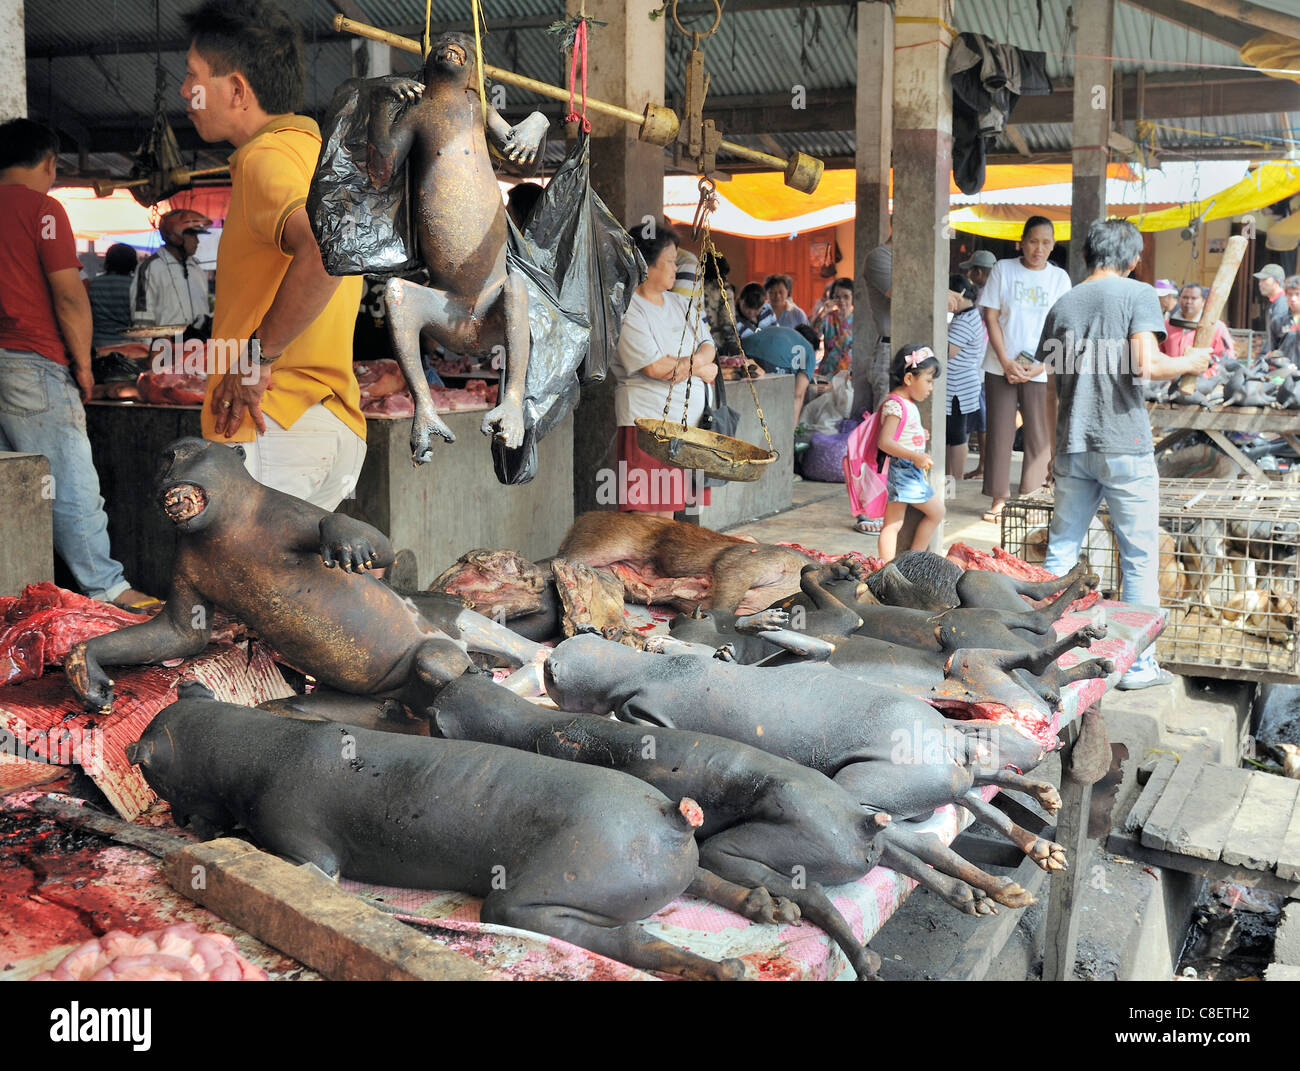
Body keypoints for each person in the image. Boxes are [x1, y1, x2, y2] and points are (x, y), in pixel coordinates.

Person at [182, 0, 366, 510]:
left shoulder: (267, 160)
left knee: (230, 588)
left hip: (272, 421)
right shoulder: (317, 156)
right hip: (328, 425)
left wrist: (259, 357)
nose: (184, 91)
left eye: (192, 76)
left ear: (236, 89)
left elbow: (327, 251)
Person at [1037, 219, 1209, 690]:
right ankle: (1137, 666)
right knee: (1138, 557)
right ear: (1133, 260)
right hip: (1124, 445)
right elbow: (1146, 365)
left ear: (1088, 255)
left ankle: (1043, 651)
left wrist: (1054, 449)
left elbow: (1054, 386)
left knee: (1061, 553)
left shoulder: (1063, 304)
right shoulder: (1137, 295)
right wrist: (1189, 363)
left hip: (1073, 444)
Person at [0, 119, 155, 610]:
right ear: (48, 163)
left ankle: (13, 598)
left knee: (10, 483)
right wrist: (85, 367)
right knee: (67, 479)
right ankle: (107, 589)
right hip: (32, 363)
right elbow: (69, 295)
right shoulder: (44, 209)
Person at [612, 222, 717, 517]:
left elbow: (709, 347)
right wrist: (699, 368)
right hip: (645, 425)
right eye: (670, 261)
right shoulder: (629, 308)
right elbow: (655, 367)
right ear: (647, 264)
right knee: (644, 517)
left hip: (680, 427)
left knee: (667, 516)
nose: (675, 268)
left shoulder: (681, 303)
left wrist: (688, 364)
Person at [978, 215, 1071, 523]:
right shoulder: (1003, 270)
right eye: (1033, 241)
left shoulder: (1059, 279)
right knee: (1000, 431)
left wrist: (1041, 366)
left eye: (1045, 243)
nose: (1038, 249)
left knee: (1039, 434)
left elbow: (1063, 329)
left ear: (1053, 245)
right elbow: (991, 317)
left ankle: (1031, 497)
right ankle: (999, 499)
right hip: (999, 365)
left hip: (1040, 369)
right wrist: (1005, 361)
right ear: (1022, 241)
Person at [875, 343, 945, 562]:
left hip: (905, 471)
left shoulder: (904, 403)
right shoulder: (896, 405)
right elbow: (885, 442)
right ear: (908, 379)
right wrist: (915, 455)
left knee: (893, 524)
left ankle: (894, 567)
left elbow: (899, 434)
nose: (930, 388)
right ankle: (913, 562)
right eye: (928, 381)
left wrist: (918, 436)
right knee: (936, 512)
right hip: (904, 471)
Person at [129, 209, 212, 338]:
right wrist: (151, 351)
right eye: (193, 235)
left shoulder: (196, 269)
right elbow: (142, 318)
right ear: (176, 236)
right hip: (166, 349)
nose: (197, 241)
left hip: (199, 348)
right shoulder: (150, 268)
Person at [945, 274, 986, 489]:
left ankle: (954, 482)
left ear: (957, 296)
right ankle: (947, 481)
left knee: (956, 435)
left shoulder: (966, 320)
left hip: (958, 388)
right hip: (959, 385)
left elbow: (948, 351)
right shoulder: (967, 316)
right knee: (951, 435)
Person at [743, 325, 813, 426]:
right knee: (769, 405)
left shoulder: (790, 334)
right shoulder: (810, 352)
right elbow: (798, 394)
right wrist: (792, 430)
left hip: (746, 347)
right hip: (773, 358)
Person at [1160, 283, 1233, 374]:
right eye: (1185, 297)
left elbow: (1226, 357)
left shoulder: (1216, 327)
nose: (1189, 301)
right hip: (1169, 380)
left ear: (1203, 302)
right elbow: (1158, 353)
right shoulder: (1166, 325)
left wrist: (1208, 376)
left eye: (1194, 298)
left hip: (1204, 382)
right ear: (1179, 299)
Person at [88, 243, 138, 352]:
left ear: (107, 261)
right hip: (128, 347)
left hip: (98, 345)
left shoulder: (93, 284)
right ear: (133, 263)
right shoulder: (137, 286)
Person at [811, 276, 853, 376]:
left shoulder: (860, 320)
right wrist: (823, 312)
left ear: (853, 297)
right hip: (827, 373)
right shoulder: (828, 317)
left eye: (846, 296)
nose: (842, 300)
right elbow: (812, 336)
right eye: (837, 297)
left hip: (850, 376)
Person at [1254, 263, 1288, 352]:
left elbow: (1281, 340)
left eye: (1264, 280)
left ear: (1278, 281)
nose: (1260, 284)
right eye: (1260, 280)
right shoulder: (1273, 303)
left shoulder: (1282, 305)